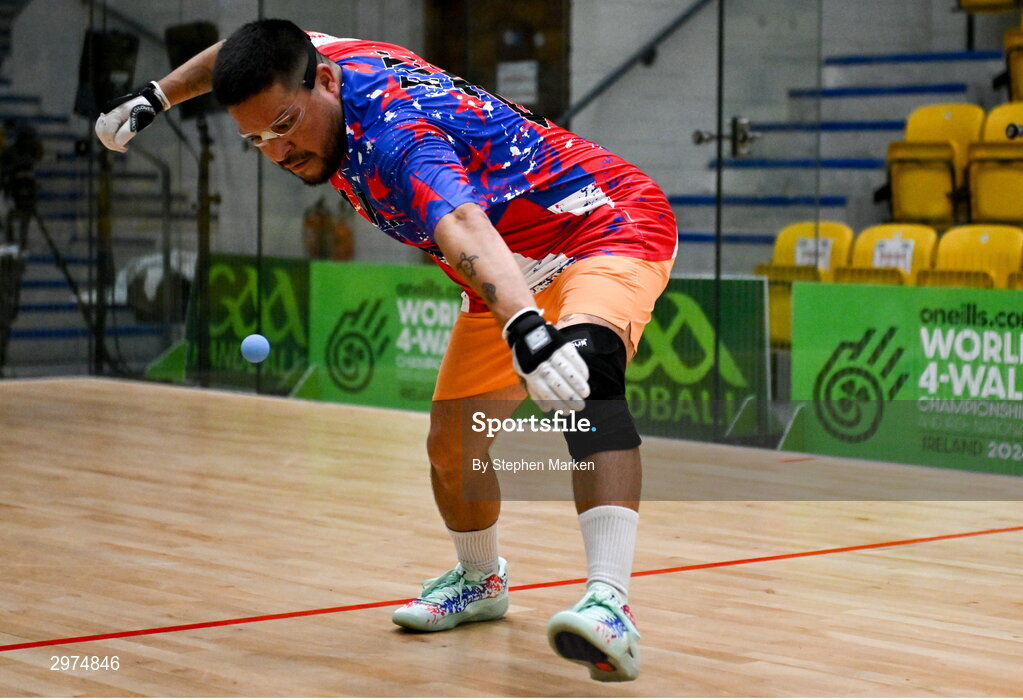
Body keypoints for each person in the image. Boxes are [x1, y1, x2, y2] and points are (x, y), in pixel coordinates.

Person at [95, 18, 677, 682]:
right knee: (452, 445)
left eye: (285, 124)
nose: (278, 150)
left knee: (587, 378)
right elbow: (238, 50)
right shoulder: (318, 58)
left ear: (325, 82)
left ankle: (609, 605)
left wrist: (527, 327)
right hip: (502, 266)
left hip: (603, 224)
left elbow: (462, 222)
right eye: (257, 138)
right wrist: (158, 96)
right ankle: (480, 581)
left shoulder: (398, 140)